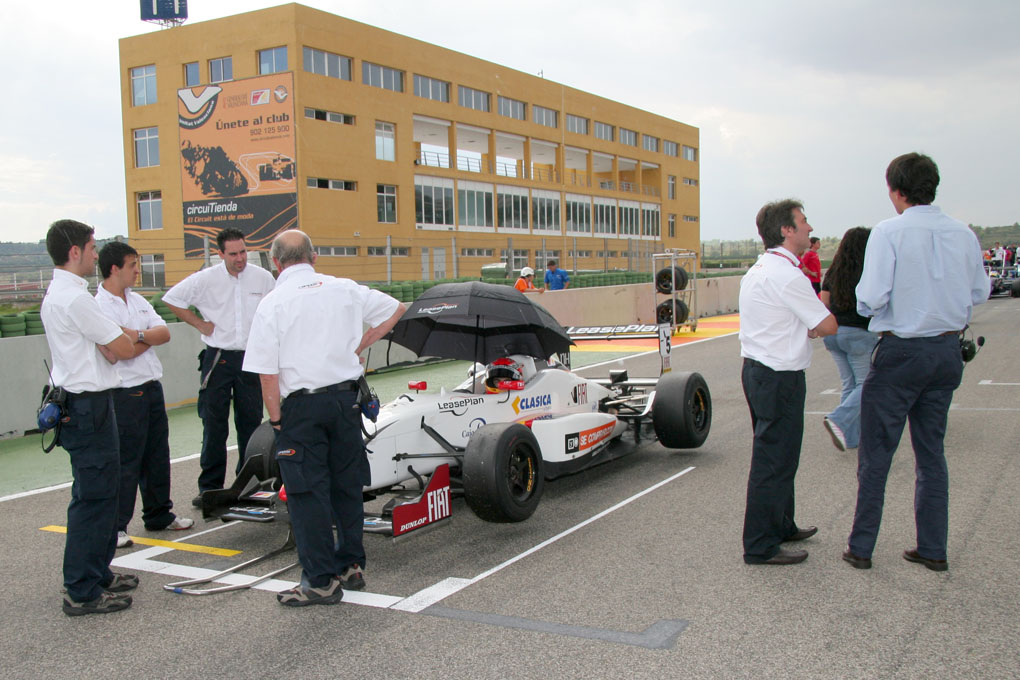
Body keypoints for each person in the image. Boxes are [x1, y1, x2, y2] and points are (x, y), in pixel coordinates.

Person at [844, 153, 989, 572]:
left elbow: (870, 297)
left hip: (902, 351)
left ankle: (862, 546)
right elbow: (980, 292)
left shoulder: (889, 232)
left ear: (897, 191)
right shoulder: (963, 233)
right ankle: (933, 548)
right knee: (931, 453)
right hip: (946, 350)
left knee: (876, 455)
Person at [244, 230, 404, 606]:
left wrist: (277, 420)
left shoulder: (273, 302)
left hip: (302, 407)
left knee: (307, 493)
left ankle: (319, 581)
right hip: (344, 402)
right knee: (345, 486)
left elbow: (267, 372)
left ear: (276, 263)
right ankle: (351, 564)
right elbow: (396, 308)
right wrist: (363, 343)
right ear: (314, 257)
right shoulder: (344, 288)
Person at [40, 220, 139, 616]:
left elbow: (115, 346)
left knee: (103, 493)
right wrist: (125, 337)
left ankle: (97, 574)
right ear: (74, 251)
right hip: (86, 406)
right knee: (94, 498)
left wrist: (118, 340)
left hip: (86, 404)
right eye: (92, 247)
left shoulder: (66, 295)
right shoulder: (76, 300)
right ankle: (82, 589)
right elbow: (124, 347)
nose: (97, 254)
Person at [739, 200, 836, 566]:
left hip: (761, 371)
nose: (809, 228)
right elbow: (828, 325)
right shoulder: (787, 275)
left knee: (781, 457)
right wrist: (813, 324)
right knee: (773, 461)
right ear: (786, 230)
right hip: (778, 377)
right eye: (804, 221)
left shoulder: (764, 269)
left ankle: (781, 524)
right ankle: (761, 545)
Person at [162, 228, 276, 504]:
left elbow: (276, 307)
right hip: (218, 357)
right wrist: (200, 324)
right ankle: (210, 487)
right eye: (234, 253)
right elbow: (172, 299)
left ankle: (247, 484)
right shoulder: (205, 279)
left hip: (251, 358)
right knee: (214, 425)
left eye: (243, 252)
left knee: (250, 423)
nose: (240, 258)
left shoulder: (262, 278)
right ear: (220, 253)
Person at [96, 242, 194, 549]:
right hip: (124, 391)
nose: (138, 270)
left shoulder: (137, 300)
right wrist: (143, 339)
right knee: (127, 461)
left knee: (157, 455)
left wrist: (137, 335)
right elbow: (117, 352)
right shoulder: (98, 305)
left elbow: (163, 333)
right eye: (132, 265)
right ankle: (117, 525)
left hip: (151, 386)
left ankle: (158, 514)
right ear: (115, 269)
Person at [819, 227, 877, 451]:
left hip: (834, 333)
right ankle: (840, 419)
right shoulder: (868, 270)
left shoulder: (833, 271)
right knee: (867, 385)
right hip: (859, 334)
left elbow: (823, 303)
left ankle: (849, 436)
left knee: (849, 383)